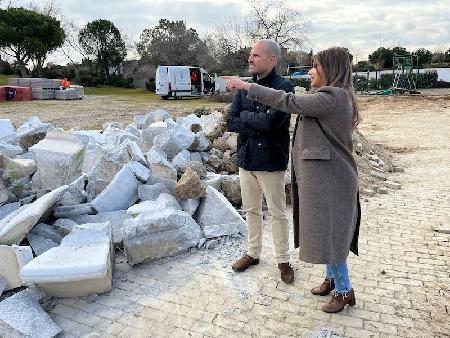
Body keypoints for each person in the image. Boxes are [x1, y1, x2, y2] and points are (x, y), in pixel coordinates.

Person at [224, 46, 361, 313]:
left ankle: (345, 290)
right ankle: (332, 280)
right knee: (326, 232)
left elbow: (287, 102)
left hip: (332, 179)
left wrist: (246, 87)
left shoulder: (332, 97)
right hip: (326, 177)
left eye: (315, 67)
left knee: (331, 237)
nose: (310, 71)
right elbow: (235, 120)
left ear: (329, 70)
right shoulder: (331, 96)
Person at [227, 39, 295, 284]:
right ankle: (253, 253)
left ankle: (283, 261)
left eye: (255, 55)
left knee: (277, 213)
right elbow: (231, 121)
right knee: (251, 210)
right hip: (247, 160)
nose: (250, 59)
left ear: (271, 60)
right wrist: (256, 120)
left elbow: (273, 122)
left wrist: (251, 120)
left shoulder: (284, 87)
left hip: (271, 160)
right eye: (250, 55)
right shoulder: (245, 86)